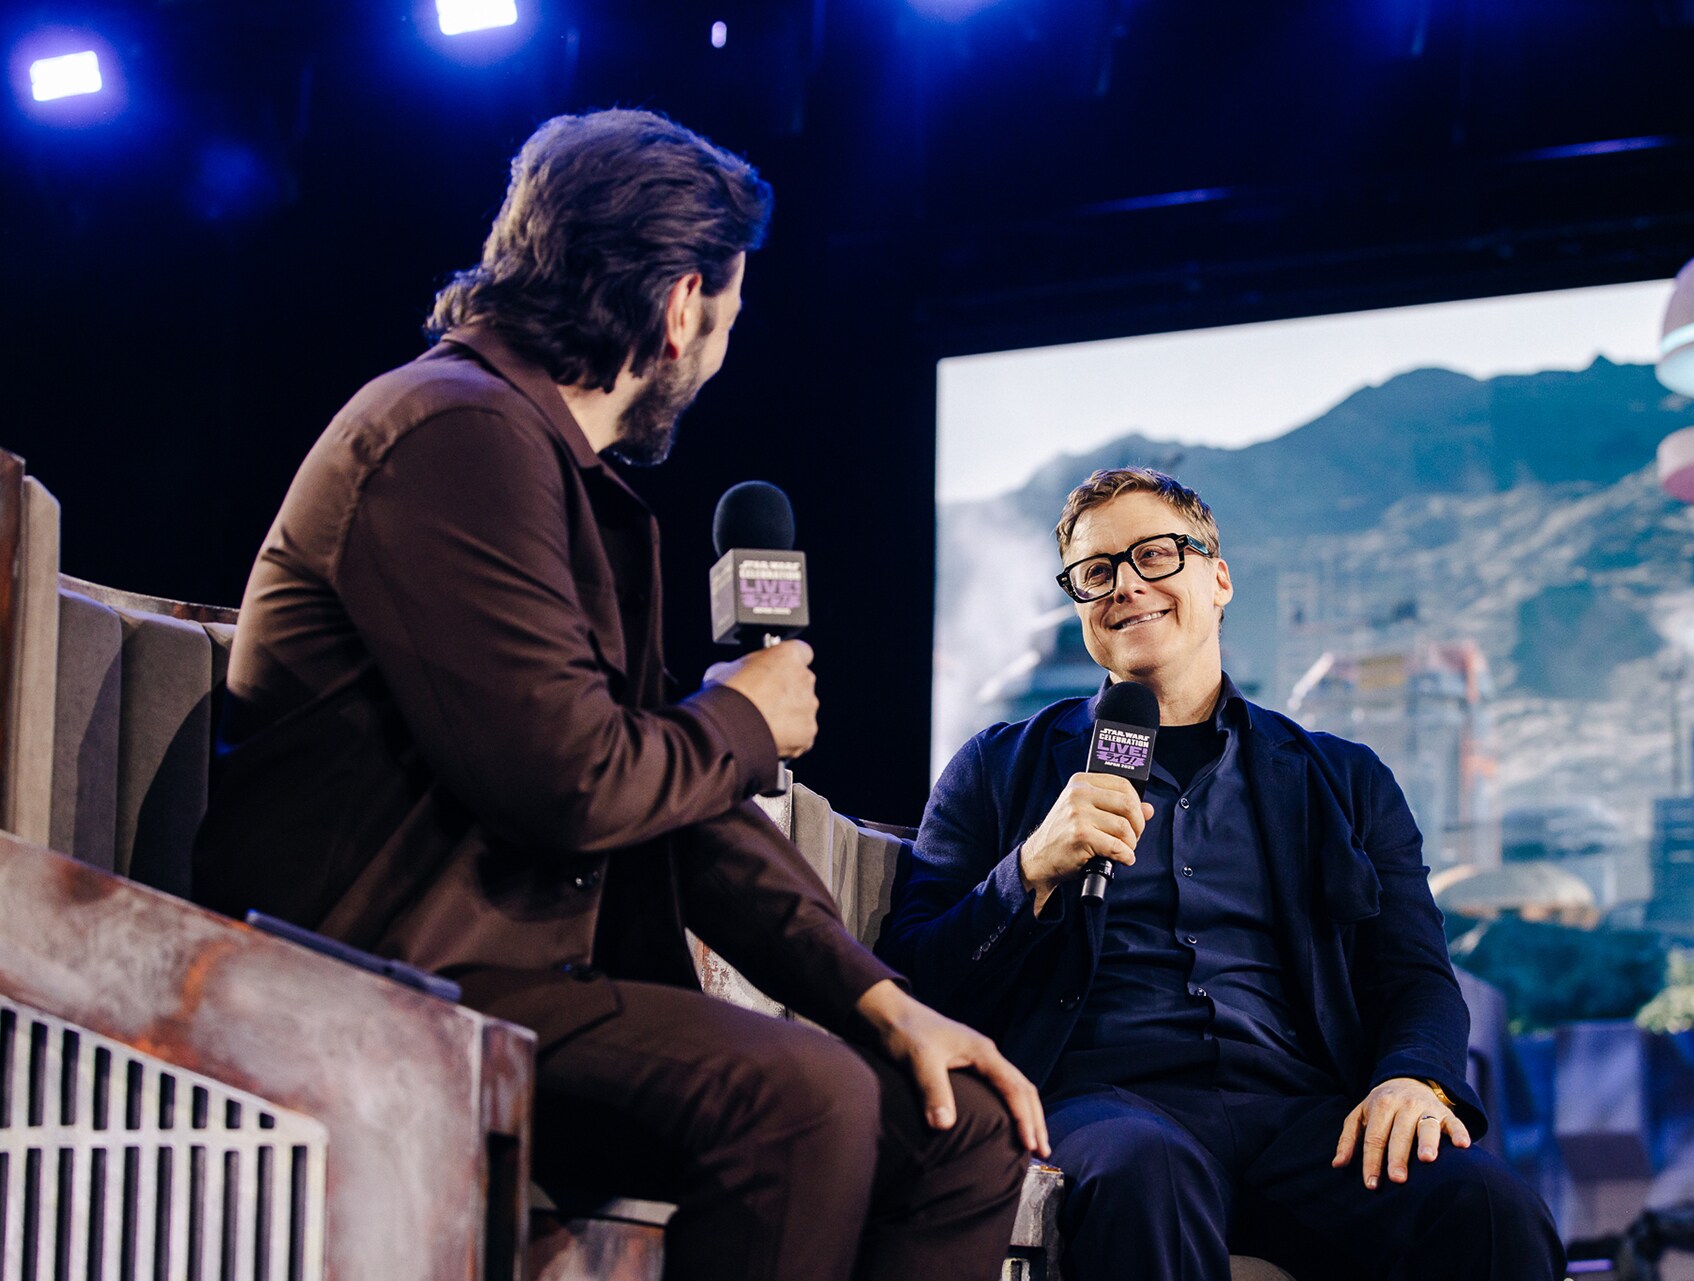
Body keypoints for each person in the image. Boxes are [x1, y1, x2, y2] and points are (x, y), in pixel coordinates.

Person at [193, 108, 1045, 1281]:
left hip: (511, 992)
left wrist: (879, 999)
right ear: (683, 305)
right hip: (380, 985)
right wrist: (745, 717)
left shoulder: (538, 463)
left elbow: (678, 810)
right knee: (796, 1098)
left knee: (962, 1130)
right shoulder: (453, 434)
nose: (721, 352)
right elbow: (575, 780)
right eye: (730, 319)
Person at [877, 467, 1564, 1280]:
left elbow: (1416, 976)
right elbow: (913, 981)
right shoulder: (996, 769)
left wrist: (1415, 1078)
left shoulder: (1344, 779)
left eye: (1155, 554)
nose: (1127, 584)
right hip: (1105, 1105)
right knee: (1145, 1172)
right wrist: (1025, 870)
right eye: (1097, 572)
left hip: (1305, 1114)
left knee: (1488, 1206)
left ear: (1219, 577)